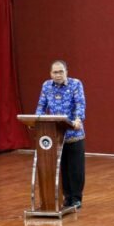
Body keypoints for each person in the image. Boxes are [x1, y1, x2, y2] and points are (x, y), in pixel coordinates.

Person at [35, 60, 86, 208]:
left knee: (75, 169)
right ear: (50, 74)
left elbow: (80, 104)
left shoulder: (75, 84)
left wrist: (78, 119)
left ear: (66, 72)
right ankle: (67, 197)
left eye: (61, 72)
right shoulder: (46, 86)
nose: (58, 75)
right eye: (55, 72)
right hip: (55, 136)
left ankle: (76, 198)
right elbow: (41, 105)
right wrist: (36, 120)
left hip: (73, 135)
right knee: (61, 168)